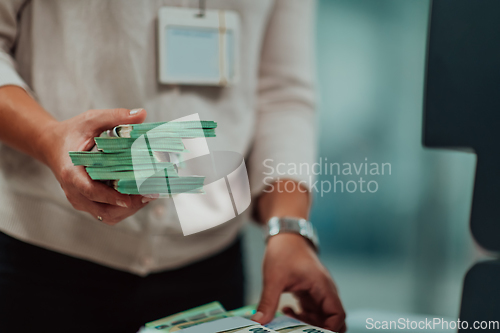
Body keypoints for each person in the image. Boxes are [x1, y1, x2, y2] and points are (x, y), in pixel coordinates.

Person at [0, 1, 346, 332]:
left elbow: (282, 90)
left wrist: (288, 228)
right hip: (41, 257)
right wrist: (49, 138)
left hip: (212, 263)